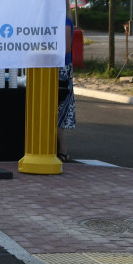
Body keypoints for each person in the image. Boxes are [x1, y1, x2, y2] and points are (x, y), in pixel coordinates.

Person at [57, 14, 76, 162]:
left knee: (58, 111)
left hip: (61, 69)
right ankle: (60, 150)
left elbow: (67, 47)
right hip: (56, 67)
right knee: (55, 112)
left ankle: (63, 150)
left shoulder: (64, 21)